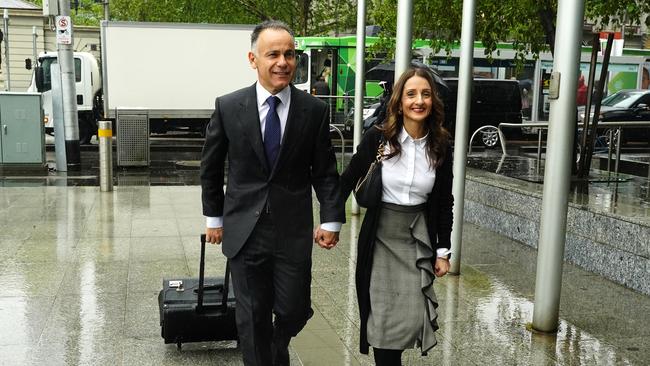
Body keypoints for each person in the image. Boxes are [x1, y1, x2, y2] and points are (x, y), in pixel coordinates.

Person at [201, 20, 345, 366]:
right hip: (244, 231)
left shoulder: (313, 111)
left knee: (294, 309)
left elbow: (324, 171)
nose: (283, 62)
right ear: (253, 59)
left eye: (290, 54)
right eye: (274, 54)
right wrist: (214, 219)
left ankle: (277, 347)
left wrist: (331, 220)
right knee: (251, 317)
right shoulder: (228, 106)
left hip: (291, 231)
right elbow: (210, 167)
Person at [340, 67, 454, 365]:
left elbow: (444, 202)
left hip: (417, 238)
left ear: (433, 102)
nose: (419, 101)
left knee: (412, 318)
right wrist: (329, 223)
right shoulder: (378, 139)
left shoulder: (441, 145)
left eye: (425, 94)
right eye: (411, 94)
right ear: (399, 101)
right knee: (383, 322)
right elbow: (348, 177)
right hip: (379, 238)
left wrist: (443, 251)